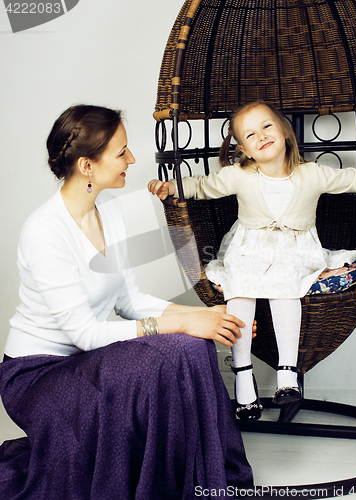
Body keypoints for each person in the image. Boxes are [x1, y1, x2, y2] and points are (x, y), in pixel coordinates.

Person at [0, 104, 254, 499]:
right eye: (121, 152)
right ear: (86, 165)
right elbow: (85, 334)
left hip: (89, 361)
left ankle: (206, 480)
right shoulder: (44, 232)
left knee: (193, 345)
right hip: (39, 375)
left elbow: (129, 298)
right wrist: (182, 322)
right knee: (170, 349)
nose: (131, 160)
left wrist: (205, 317)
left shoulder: (112, 212)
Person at [148, 100, 356, 421]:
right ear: (244, 149)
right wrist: (171, 186)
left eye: (267, 126)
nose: (261, 136)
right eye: (250, 134)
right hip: (248, 249)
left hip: (296, 252)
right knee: (239, 285)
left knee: (286, 284)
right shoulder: (240, 175)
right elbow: (203, 186)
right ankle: (243, 373)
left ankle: (287, 372)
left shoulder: (312, 174)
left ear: (284, 130)